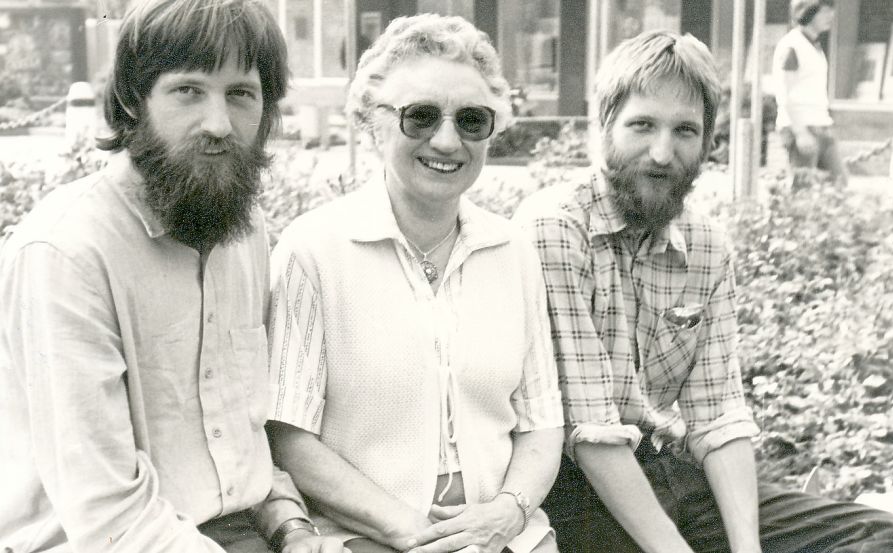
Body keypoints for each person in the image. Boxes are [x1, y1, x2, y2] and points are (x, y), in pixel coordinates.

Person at [513, 30, 893, 553]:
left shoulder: (705, 245)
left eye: (685, 131)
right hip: (575, 492)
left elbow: (718, 414)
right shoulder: (554, 230)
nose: (663, 153)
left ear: (708, 142)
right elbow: (591, 430)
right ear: (604, 126)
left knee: (878, 536)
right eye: (642, 125)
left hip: (671, 474)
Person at [0, 1, 346, 552]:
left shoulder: (244, 229)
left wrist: (292, 528)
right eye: (188, 90)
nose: (218, 124)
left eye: (241, 94)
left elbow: (244, 443)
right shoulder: (66, 254)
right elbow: (109, 519)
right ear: (134, 102)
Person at [265, 14, 565, 553]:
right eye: (420, 117)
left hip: (503, 538)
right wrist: (412, 531)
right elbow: (289, 435)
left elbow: (542, 424)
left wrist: (507, 512)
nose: (447, 141)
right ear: (372, 122)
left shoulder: (513, 251)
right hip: (363, 536)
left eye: (472, 119)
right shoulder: (311, 251)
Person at [772, 0, 847, 187]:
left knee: (838, 183)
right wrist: (799, 132)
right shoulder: (791, 46)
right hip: (801, 126)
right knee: (803, 190)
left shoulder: (815, 45)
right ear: (808, 12)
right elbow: (783, 92)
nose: (831, 16)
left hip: (822, 124)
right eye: (825, 11)